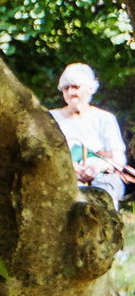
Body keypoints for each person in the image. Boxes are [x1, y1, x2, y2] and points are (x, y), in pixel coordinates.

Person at [52, 62, 128, 207]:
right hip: (62, 178)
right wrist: (70, 167)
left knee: (103, 195)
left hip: (101, 180)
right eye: (66, 88)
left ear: (90, 88)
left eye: (75, 87)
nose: (70, 92)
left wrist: (97, 167)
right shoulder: (51, 118)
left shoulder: (104, 118)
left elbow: (118, 157)